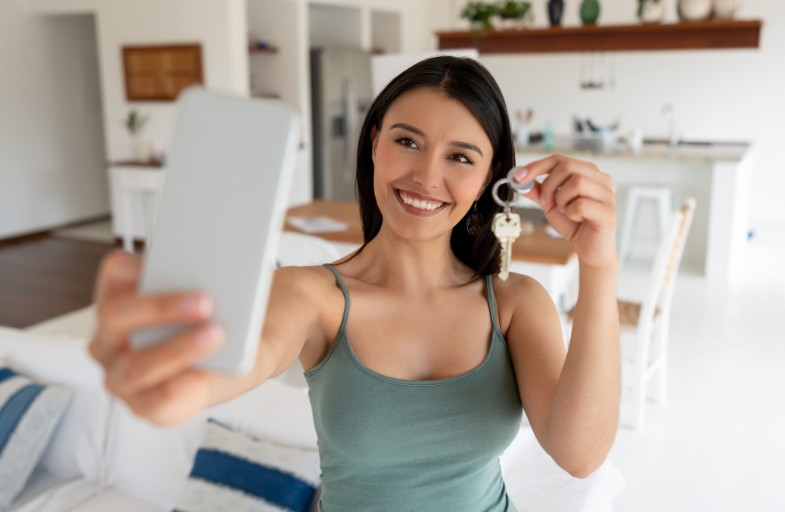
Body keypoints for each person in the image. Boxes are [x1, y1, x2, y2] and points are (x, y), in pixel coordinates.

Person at [89, 56, 620, 511]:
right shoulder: (312, 297)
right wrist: (172, 382)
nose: (426, 177)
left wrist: (598, 266)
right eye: (408, 141)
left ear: (490, 177)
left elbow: (580, 455)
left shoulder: (515, 302)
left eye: (460, 156)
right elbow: (228, 367)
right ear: (373, 144)